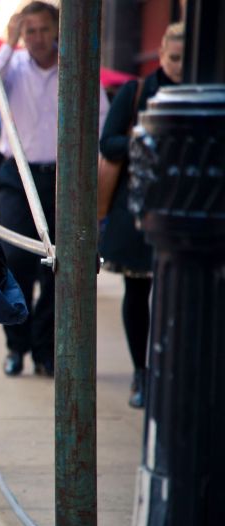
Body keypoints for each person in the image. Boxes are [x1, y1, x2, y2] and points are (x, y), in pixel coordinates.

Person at [0, 1, 109, 377]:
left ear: (57, 31)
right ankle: (16, 345)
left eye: (43, 29)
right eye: (29, 30)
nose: (37, 37)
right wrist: (8, 42)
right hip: (18, 175)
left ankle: (46, 349)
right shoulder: (11, 66)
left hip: (65, 179)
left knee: (60, 268)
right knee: (16, 260)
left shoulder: (74, 67)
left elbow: (101, 119)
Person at [99, 22, 184, 408]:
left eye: (187, 57)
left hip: (185, 207)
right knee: (139, 292)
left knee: (182, 296)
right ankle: (142, 373)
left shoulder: (204, 93)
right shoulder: (136, 91)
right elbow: (108, 143)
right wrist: (143, 136)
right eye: (175, 57)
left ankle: (174, 371)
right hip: (139, 208)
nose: (181, 65)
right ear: (162, 54)